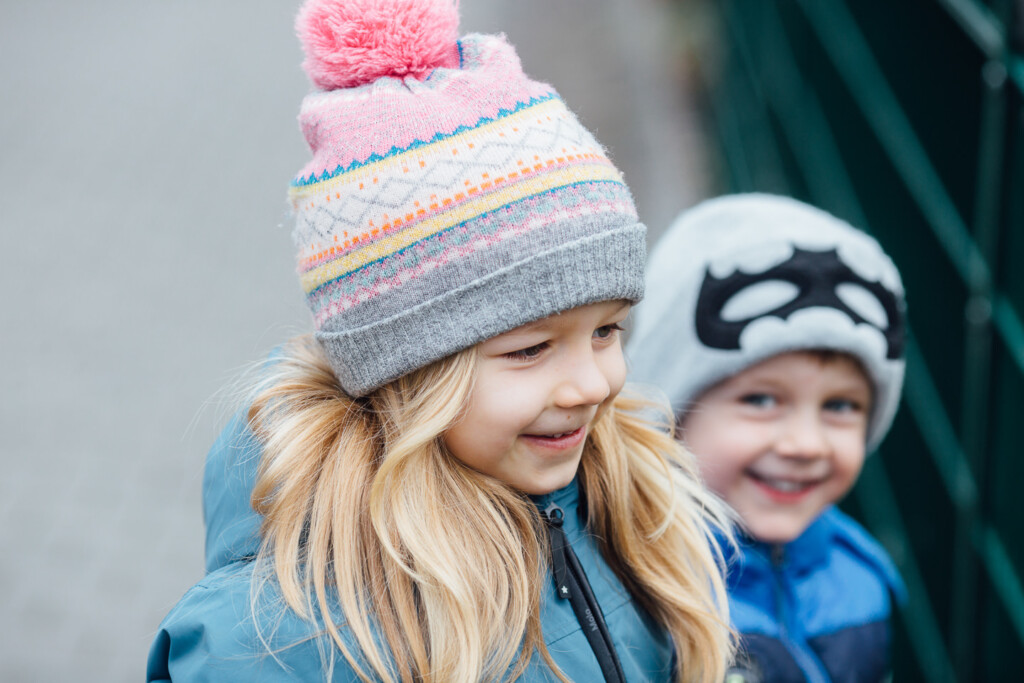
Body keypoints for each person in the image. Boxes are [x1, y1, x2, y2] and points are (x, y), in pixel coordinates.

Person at [145, 1, 734, 681]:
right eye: (530, 349)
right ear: (406, 369)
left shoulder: (632, 512)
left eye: (607, 330)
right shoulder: (283, 644)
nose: (595, 383)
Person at [626, 194, 908, 683]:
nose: (806, 444)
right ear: (671, 414)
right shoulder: (636, 596)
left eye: (840, 406)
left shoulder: (862, 575)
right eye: (761, 400)